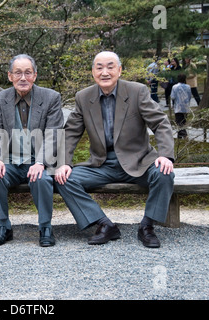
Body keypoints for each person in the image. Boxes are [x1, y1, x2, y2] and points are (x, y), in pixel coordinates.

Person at [54, 51, 175, 248]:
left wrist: (165, 156)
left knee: (164, 173)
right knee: (63, 179)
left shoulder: (137, 91)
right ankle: (104, 224)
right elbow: (70, 133)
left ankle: (147, 226)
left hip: (139, 162)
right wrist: (63, 163)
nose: (105, 72)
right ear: (93, 72)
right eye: (99, 67)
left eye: (110, 67)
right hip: (102, 164)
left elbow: (161, 123)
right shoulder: (83, 97)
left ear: (119, 70)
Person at [0, 54, 64, 247]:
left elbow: (53, 134)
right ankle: (4, 226)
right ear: (10, 76)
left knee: (42, 179)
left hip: (37, 161)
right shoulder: (0, 99)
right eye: (18, 73)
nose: (23, 78)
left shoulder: (51, 98)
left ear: (35, 75)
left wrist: (40, 162)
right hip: (11, 161)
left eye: (28, 73)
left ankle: (45, 227)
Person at [171, 74, 192, 139]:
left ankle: (184, 134)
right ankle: (180, 136)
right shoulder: (188, 87)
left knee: (179, 122)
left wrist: (172, 105)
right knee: (183, 121)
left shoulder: (175, 87)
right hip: (186, 106)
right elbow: (189, 96)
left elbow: (172, 96)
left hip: (178, 106)